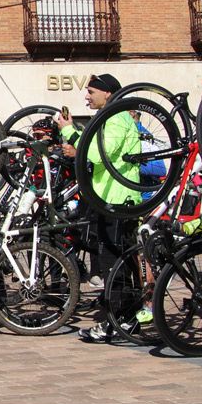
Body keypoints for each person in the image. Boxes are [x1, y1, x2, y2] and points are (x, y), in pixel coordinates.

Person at [57, 73, 141, 342]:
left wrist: (69, 132)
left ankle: (118, 322)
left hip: (118, 200)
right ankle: (125, 319)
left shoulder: (116, 118)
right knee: (115, 264)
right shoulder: (109, 117)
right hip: (108, 199)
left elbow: (97, 153)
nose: (87, 96)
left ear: (108, 93)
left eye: (91, 91)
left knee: (114, 265)